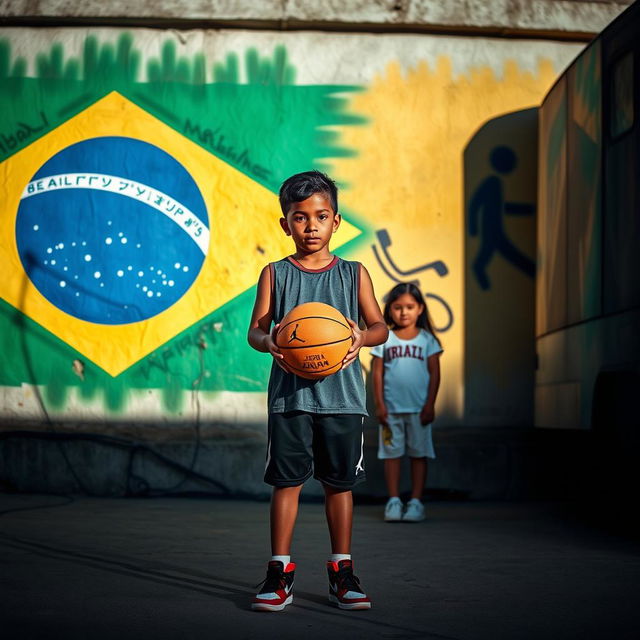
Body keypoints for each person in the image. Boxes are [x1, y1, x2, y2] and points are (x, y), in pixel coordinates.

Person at [247, 170, 388, 612]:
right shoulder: (274, 273)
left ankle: (342, 572)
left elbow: (380, 327)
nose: (311, 226)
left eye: (320, 216)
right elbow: (256, 330)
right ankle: (279, 572)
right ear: (285, 223)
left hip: (343, 398)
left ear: (337, 221)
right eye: (300, 217)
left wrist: (361, 337)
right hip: (290, 398)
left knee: (338, 485)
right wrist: (269, 341)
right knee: (286, 484)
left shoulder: (354, 273)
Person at [371, 283, 443, 523]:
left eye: (410, 307)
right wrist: (380, 406)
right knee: (392, 455)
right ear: (389, 310)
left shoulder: (428, 340)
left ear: (420, 309)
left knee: (418, 455)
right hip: (390, 412)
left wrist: (430, 405)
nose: (404, 312)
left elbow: (435, 374)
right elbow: (377, 374)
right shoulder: (384, 339)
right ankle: (393, 501)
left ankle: (415, 502)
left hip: (419, 411)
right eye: (398, 307)